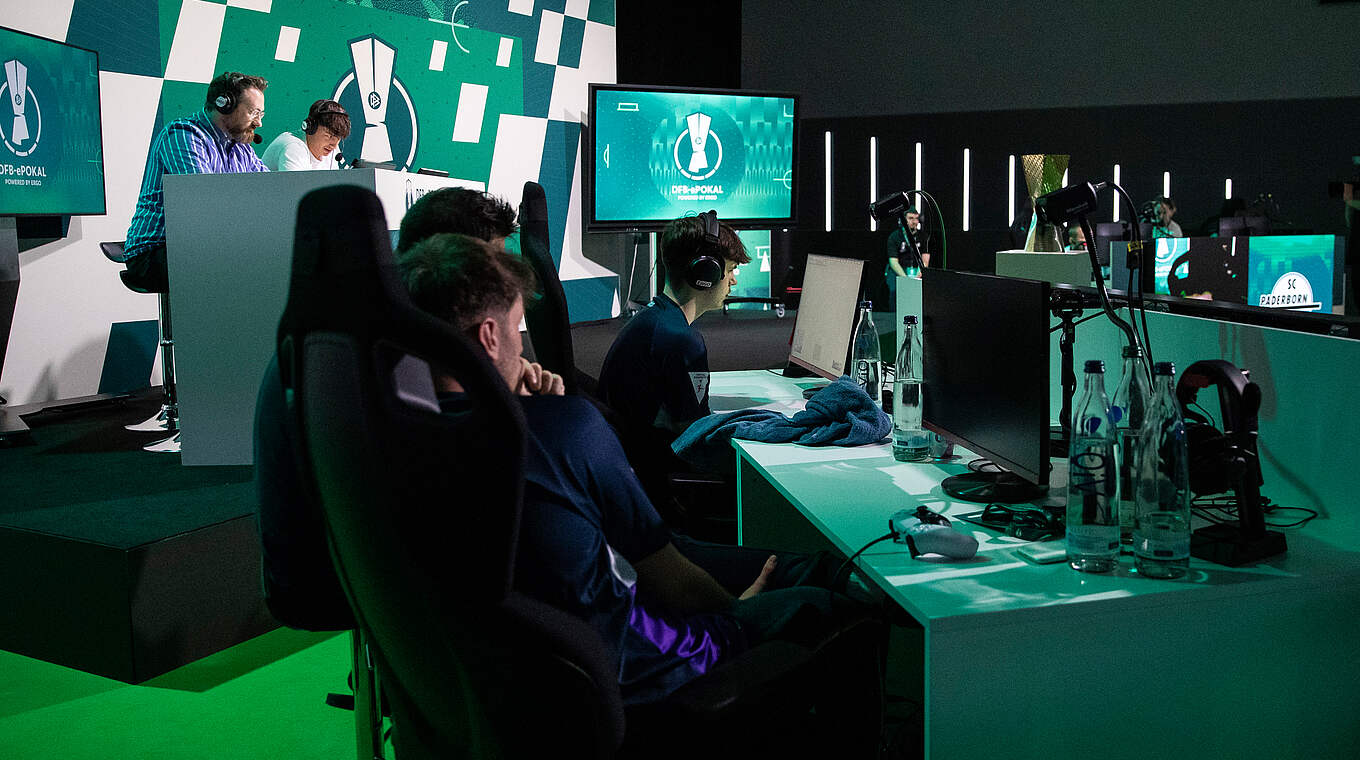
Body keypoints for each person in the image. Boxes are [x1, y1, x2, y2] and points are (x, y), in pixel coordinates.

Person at [401, 234, 881, 745]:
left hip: (525, 696)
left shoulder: (401, 437)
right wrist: (738, 612)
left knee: (811, 573)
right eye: (517, 330)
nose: (524, 348)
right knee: (839, 610)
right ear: (489, 337)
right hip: (647, 679)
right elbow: (673, 582)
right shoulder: (558, 431)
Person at [123, 71, 269, 291]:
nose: (258, 122)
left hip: (202, 247)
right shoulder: (183, 135)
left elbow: (270, 192)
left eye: (261, 113)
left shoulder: (242, 147)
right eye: (253, 112)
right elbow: (207, 204)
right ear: (224, 104)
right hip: (155, 250)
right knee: (251, 269)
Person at [262, 99, 350, 171]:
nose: (333, 146)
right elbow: (293, 187)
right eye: (329, 136)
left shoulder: (330, 151)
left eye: (338, 138)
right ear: (311, 127)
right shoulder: (293, 147)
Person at [886, 206, 930, 275]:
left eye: (916, 218)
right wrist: (905, 278)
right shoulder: (894, 236)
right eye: (911, 218)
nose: (914, 222)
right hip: (900, 271)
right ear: (903, 220)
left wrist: (919, 274)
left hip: (916, 271)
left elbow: (925, 260)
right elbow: (893, 261)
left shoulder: (923, 236)